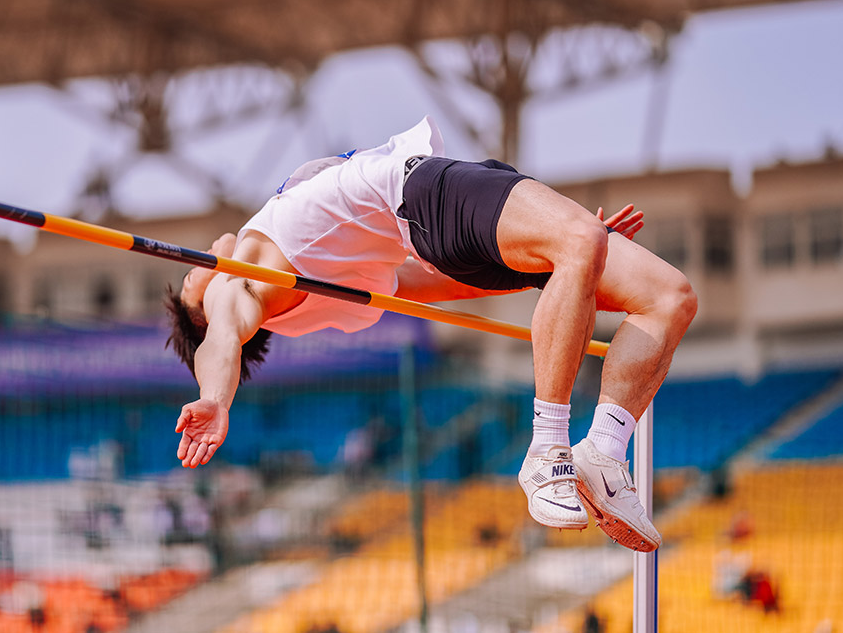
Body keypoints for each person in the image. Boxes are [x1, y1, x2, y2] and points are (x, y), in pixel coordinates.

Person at [166, 116, 697, 552]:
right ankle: (546, 452)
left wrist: (561, 263)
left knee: (668, 297)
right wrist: (214, 397)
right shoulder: (237, 283)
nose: (197, 269)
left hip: (433, 218)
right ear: (208, 307)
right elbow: (221, 341)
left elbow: (430, 285)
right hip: (417, 192)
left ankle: (602, 452)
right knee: (583, 238)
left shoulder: (315, 296)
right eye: (194, 280)